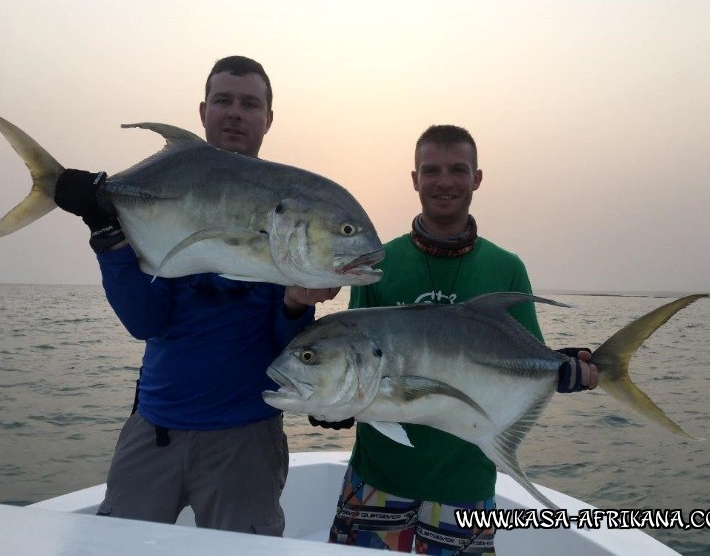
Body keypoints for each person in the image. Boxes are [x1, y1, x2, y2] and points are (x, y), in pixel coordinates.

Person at [53, 56, 339, 535]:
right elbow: (145, 322)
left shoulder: (291, 207)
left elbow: (281, 346)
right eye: (223, 100)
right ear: (203, 110)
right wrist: (106, 230)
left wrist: (295, 304)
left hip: (246, 437)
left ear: (269, 118)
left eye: (250, 104)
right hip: (154, 428)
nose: (234, 112)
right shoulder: (166, 187)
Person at [319, 125, 598, 554]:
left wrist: (561, 368)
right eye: (431, 171)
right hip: (377, 476)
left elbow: (526, 361)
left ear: (477, 178)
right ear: (414, 179)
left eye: (457, 170)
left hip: (467, 481)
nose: (444, 182)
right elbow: (357, 358)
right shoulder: (377, 263)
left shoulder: (507, 268)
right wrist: (334, 402)